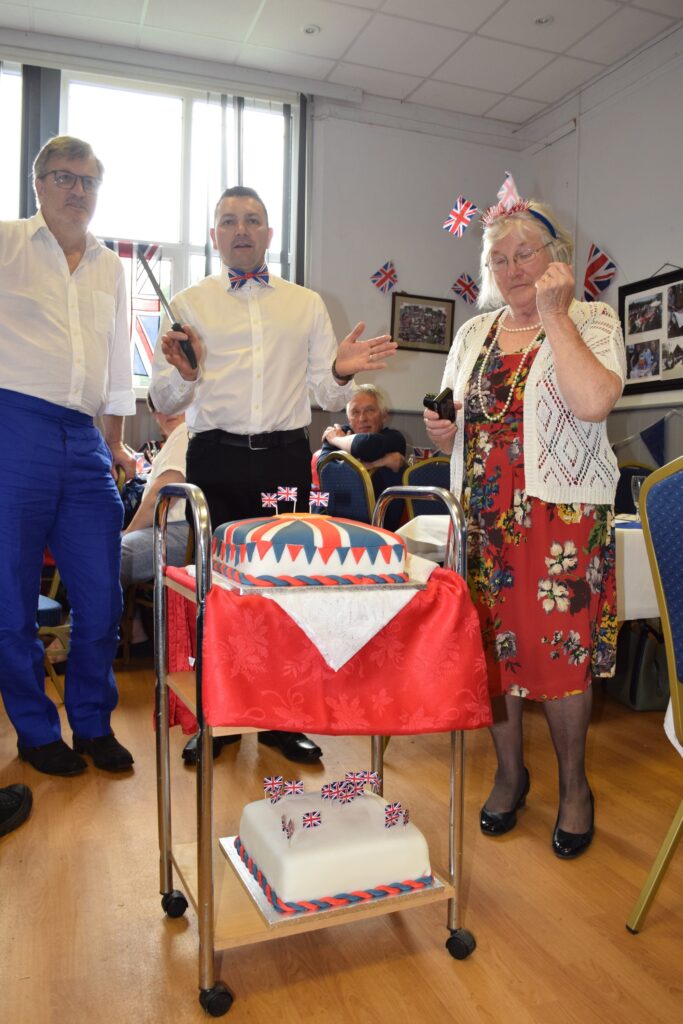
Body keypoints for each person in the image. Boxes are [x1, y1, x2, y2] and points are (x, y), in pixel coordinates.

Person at [151, 185, 395, 764]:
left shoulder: (305, 304)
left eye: (252, 219)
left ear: (268, 233)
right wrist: (186, 374)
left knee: (285, 590)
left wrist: (340, 371)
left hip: (285, 458)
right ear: (214, 235)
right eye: (229, 220)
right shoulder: (186, 303)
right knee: (218, 593)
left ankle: (282, 721)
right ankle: (218, 719)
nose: (241, 229)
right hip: (214, 458)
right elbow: (162, 397)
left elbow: (325, 395)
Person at [424, 198, 625, 859]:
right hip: (482, 515)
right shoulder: (471, 333)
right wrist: (443, 429)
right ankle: (510, 775)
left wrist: (554, 313)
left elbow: (593, 402)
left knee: (558, 654)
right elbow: (454, 416)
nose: (511, 269)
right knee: (490, 652)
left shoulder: (591, 319)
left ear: (554, 258)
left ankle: (574, 787)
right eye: (498, 259)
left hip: (559, 516)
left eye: (524, 254)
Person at [0, 135, 136, 777]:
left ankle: (91, 722)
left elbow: (116, 368)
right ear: (38, 184)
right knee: (11, 602)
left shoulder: (111, 266)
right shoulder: (6, 243)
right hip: (13, 428)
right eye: (64, 177)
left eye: (87, 181)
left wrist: (114, 441)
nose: (77, 190)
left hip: (85, 440)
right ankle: (34, 731)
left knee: (101, 600)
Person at [120, 394, 189, 590]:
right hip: (172, 528)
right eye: (160, 407)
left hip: (180, 530)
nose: (169, 412)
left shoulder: (185, 432)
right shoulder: (177, 440)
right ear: (154, 415)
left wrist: (128, 533)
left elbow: (162, 497)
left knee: (108, 556)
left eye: (176, 405)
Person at [319, 383, 407, 528]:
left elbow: (365, 445)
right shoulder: (339, 432)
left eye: (370, 410)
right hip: (336, 524)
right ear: (348, 418)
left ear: (384, 415)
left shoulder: (394, 439)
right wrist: (379, 462)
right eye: (355, 412)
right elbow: (325, 471)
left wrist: (336, 440)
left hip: (381, 527)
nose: (362, 418)